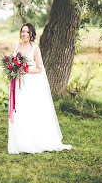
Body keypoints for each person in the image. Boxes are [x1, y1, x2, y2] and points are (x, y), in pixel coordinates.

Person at [8, 23, 72, 154]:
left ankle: (31, 142)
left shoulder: (35, 49)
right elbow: (11, 63)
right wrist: (12, 69)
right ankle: (18, 144)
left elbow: (39, 69)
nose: (24, 34)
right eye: (22, 31)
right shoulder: (15, 46)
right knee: (18, 112)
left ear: (31, 34)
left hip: (29, 85)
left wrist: (24, 69)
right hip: (17, 85)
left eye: (27, 32)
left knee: (28, 113)